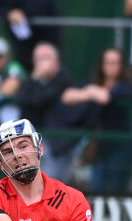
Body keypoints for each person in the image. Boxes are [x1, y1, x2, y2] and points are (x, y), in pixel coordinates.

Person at [62, 47, 132, 193]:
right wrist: (90, 92)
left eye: (116, 63)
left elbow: (105, 97)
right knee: (97, 187)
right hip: (98, 147)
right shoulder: (93, 82)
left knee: (117, 190)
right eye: (108, 62)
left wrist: (90, 91)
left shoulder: (126, 85)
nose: (112, 66)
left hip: (121, 145)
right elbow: (67, 96)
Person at [17, 42, 91, 184]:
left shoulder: (63, 79)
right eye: (39, 59)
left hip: (58, 144)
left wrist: (36, 82)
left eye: (46, 58)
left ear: (56, 61)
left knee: (51, 185)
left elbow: (39, 100)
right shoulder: (32, 81)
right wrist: (34, 79)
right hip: (33, 142)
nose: (43, 63)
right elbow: (23, 100)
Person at [0, 0, 60, 73]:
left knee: (46, 67)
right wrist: (9, 13)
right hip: (21, 44)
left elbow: (43, 7)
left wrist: (23, 13)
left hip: (44, 36)